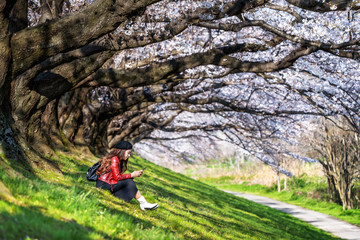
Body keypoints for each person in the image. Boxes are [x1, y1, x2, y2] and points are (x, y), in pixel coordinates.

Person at [95, 140, 158, 211]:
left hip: (106, 183)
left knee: (129, 180)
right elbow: (117, 177)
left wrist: (132, 175)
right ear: (122, 151)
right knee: (128, 181)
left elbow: (116, 177)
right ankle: (143, 203)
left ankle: (143, 203)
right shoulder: (115, 159)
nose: (129, 155)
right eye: (128, 153)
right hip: (104, 184)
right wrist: (131, 175)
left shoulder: (117, 159)